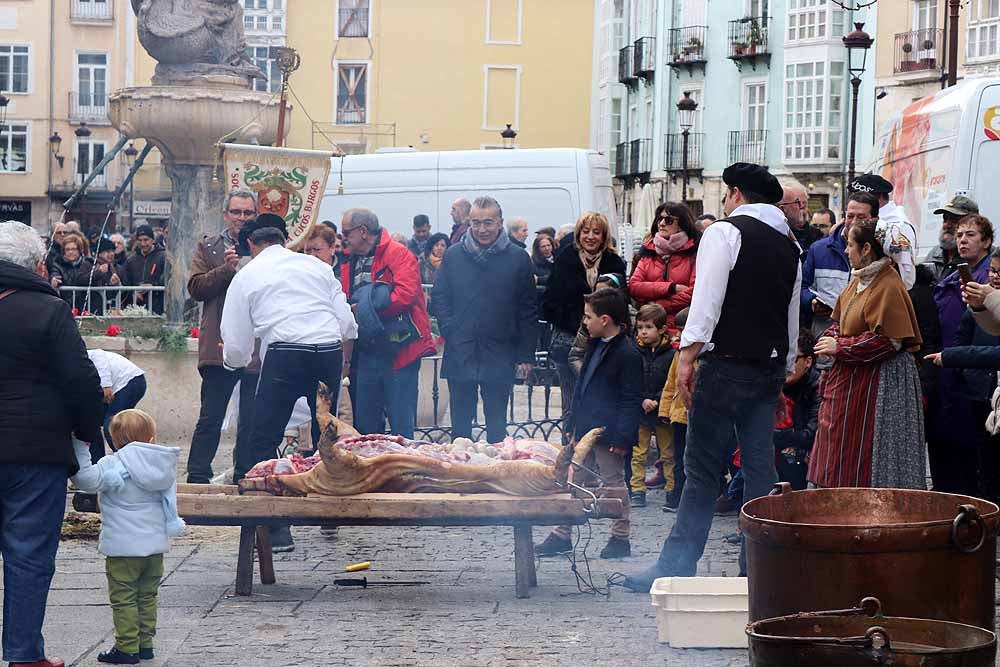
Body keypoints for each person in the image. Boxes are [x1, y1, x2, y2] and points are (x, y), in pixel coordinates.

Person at [622, 162, 801, 591]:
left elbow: (707, 299)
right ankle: (759, 568)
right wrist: (788, 365)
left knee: (701, 468)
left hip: (726, 366)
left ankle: (676, 564)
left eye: (726, 194)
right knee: (758, 466)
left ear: (736, 193)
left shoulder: (726, 232)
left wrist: (687, 354)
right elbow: (791, 313)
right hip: (768, 365)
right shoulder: (790, 243)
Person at [0, 220, 104, 667]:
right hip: (34, 451)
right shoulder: (48, 309)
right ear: (40, 264)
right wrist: (87, 431)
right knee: (27, 555)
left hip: (29, 446)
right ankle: (23, 656)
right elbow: (80, 380)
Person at [222, 216, 358, 551]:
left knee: (263, 439)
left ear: (252, 246)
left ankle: (277, 531)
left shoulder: (247, 274)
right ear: (286, 242)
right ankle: (331, 512)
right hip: (326, 351)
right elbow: (348, 325)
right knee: (328, 435)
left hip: (285, 353)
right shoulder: (316, 267)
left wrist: (235, 363)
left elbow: (237, 344)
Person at [808, 220, 925, 489]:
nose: (847, 251)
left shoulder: (888, 285)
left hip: (880, 384)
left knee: (865, 449)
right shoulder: (859, 281)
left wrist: (841, 347)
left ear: (867, 248)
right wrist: (831, 337)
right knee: (837, 443)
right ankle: (834, 501)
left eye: (850, 245)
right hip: (852, 378)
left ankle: (863, 505)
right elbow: (841, 321)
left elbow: (890, 341)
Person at [70, 409, 184, 665]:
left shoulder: (113, 464)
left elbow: (84, 479)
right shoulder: (162, 464)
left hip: (123, 548)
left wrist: (80, 445)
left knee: (124, 599)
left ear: (115, 440)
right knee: (147, 596)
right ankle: (145, 645)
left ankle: (127, 647)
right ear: (152, 438)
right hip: (154, 548)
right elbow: (169, 499)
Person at [534, 288, 641, 559]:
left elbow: (631, 399)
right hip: (584, 428)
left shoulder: (628, 354)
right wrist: (572, 423)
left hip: (608, 431)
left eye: (588, 316)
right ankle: (562, 533)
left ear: (605, 319)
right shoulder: (594, 344)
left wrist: (622, 437)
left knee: (613, 482)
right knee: (576, 480)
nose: (584, 322)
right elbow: (581, 387)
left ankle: (620, 536)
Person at [431, 195, 536, 443]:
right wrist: (450, 327)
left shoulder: (518, 258)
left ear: (500, 223)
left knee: (497, 428)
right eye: (476, 223)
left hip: (499, 348)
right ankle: (461, 476)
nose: (481, 229)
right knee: (460, 429)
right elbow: (440, 295)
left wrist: (526, 354)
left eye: (488, 223)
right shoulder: (454, 255)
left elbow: (528, 309)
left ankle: (495, 478)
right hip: (461, 347)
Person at [338, 208, 436, 439]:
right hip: (367, 350)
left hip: (399, 351)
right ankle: (373, 471)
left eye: (346, 232)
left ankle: (404, 471)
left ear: (362, 232)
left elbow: (406, 294)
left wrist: (364, 310)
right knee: (366, 425)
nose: (343, 237)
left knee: (401, 422)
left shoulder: (398, 253)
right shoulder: (349, 260)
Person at [185, 189, 261, 485]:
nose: (242, 218)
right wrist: (225, 270)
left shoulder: (266, 247)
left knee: (252, 418)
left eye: (247, 213)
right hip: (219, 344)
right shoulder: (209, 247)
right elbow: (195, 288)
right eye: (237, 212)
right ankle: (198, 476)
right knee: (211, 416)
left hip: (255, 345)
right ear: (226, 214)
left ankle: (245, 472)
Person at [925, 246, 1000, 502]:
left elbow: (993, 352)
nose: (995, 277)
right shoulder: (984, 301)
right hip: (983, 394)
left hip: (991, 387)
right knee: (987, 461)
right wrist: (980, 307)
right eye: (992, 271)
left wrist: (949, 357)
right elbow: (976, 330)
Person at [542, 212, 626, 442]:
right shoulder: (565, 258)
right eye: (586, 231)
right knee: (571, 402)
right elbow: (549, 302)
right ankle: (570, 460)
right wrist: (578, 322)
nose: (590, 237)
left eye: (596, 232)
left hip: (603, 342)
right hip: (568, 339)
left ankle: (596, 460)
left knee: (600, 401)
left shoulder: (614, 262)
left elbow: (620, 304)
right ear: (578, 234)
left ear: (604, 235)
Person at [801, 193, 877, 341]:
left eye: (861, 217)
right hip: (824, 340)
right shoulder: (818, 249)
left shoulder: (880, 254)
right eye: (850, 216)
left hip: (862, 344)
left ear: (874, 220)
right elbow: (801, 287)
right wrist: (812, 301)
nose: (854, 222)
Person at [629, 303, 675, 508]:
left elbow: (669, 381)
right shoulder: (634, 351)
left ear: (662, 329)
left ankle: (671, 489)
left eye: (648, 327)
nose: (643, 332)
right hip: (641, 409)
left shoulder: (670, 354)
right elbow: (631, 379)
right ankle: (637, 489)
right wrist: (643, 399)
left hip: (662, 409)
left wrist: (657, 399)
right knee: (638, 453)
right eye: (640, 327)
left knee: (668, 452)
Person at [628, 201, 699, 331]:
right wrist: (671, 288)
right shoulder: (649, 251)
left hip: (681, 328)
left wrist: (655, 306)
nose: (661, 223)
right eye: (660, 219)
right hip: (647, 329)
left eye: (668, 220)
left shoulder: (695, 253)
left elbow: (693, 292)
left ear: (682, 224)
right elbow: (634, 286)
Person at [849, 173, 916, 289]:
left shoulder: (898, 226)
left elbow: (905, 269)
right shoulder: (855, 224)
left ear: (878, 198)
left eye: (860, 196)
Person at [773, 329, 821, 490]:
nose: (785, 365)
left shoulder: (819, 387)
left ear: (808, 361)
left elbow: (810, 434)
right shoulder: (773, 382)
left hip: (804, 460)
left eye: (792, 359)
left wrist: (773, 436)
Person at [87, 349, 147, 464]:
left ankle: (130, 464)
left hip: (130, 380)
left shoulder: (78, 355)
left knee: (112, 425)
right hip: (118, 385)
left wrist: (105, 384)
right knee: (90, 425)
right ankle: (98, 466)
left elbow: (99, 354)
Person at [658, 307, 690, 511]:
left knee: (692, 460)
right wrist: (664, 410)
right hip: (678, 416)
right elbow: (671, 383)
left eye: (683, 330)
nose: (678, 335)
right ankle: (676, 494)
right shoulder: (679, 354)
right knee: (677, 458)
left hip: (693, 417)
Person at [925, 195, 979, 282]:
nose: (947, 225)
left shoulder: (981, 257)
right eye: (945, 219)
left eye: (954, 220)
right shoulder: (935, 253)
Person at [123, 224, 167, 315]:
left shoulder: (164, 257)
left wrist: (153, 286)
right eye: (140, 240)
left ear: (152, 240)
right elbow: (126, 283)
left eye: (146, 240)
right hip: (136, 308)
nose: (143, 244)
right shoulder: (131, 260)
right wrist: (134, 292)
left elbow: (168, 278)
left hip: (158, 306)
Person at [49, 231, 95, 313]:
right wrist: (54, 279)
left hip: (85, 307)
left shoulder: (88, 264)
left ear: (79, 250)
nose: (70, 252)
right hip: (66, 307)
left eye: (73, 249)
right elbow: (55, 273)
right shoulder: (58, 264)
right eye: (67, 249)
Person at [778, 182, 822, 255]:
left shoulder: (817, 235)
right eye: (797, 203)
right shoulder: (777, 235)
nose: (801, 209)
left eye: (804, 204)